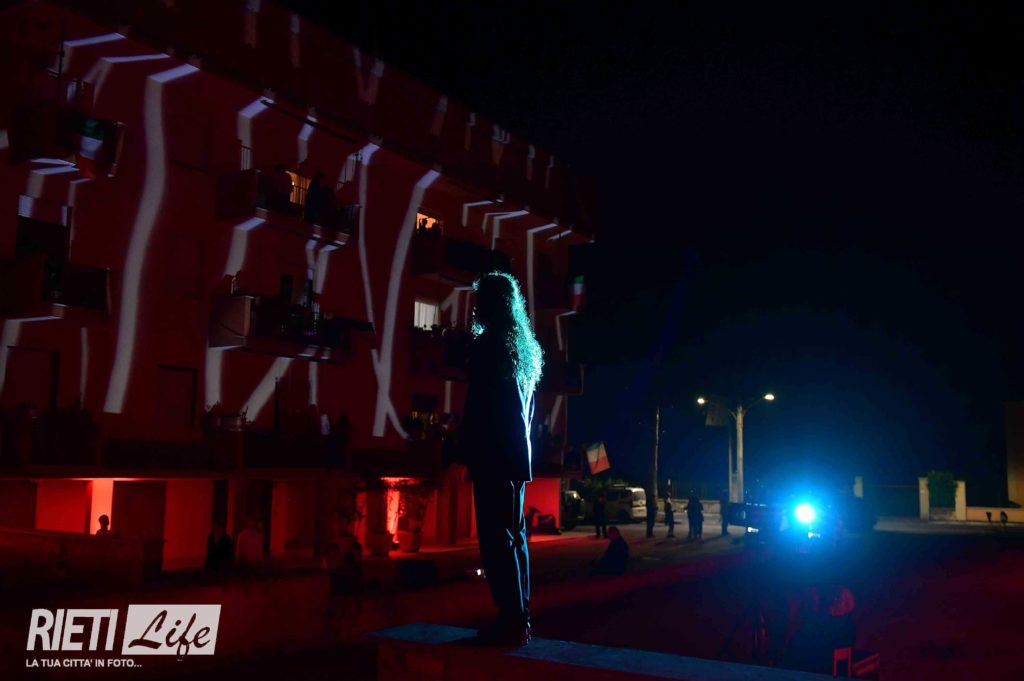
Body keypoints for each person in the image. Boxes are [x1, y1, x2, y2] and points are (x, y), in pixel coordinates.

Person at [446, 272, 540, 646]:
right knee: (515, 538)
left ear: (487, 304)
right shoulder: (522, 348)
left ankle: (510, 620)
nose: (474, 308)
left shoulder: (489, 346)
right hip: (517, 459)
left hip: (493, 457)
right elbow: (523, 411)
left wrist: (461, 456)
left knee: (496, 541)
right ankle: (520, 617)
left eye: (478, 301)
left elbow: (479, 408)